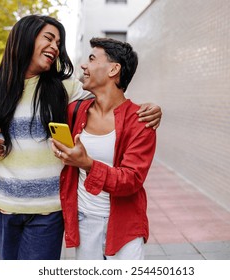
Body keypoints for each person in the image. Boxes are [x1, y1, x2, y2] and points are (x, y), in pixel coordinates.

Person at [0, 15, 162, 260]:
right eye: (49, 38)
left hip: (49, 209)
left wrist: (150, 109)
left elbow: (109, 102)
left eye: (58, 42)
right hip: (2, 204)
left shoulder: (66, 87)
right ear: (25, 37)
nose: (55, 47)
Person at [51, 37, 156, 259]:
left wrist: (87, 164)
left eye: (91, 58)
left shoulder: (140, 121)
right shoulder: (74, 110)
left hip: (124, 226)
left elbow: (131, 180)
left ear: (113, 69)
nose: (83, 65)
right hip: (84, 220)